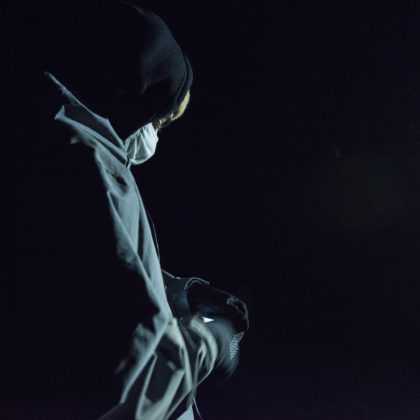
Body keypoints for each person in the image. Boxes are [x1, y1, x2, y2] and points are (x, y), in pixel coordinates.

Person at [3, 2, 248, 419]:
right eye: (159, 121)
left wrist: (176, 290)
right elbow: (129, 385)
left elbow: (78, 273)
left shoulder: (30, 139)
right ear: (133, 95)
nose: (155, 136)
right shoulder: (89, 169)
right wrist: (212, 343)